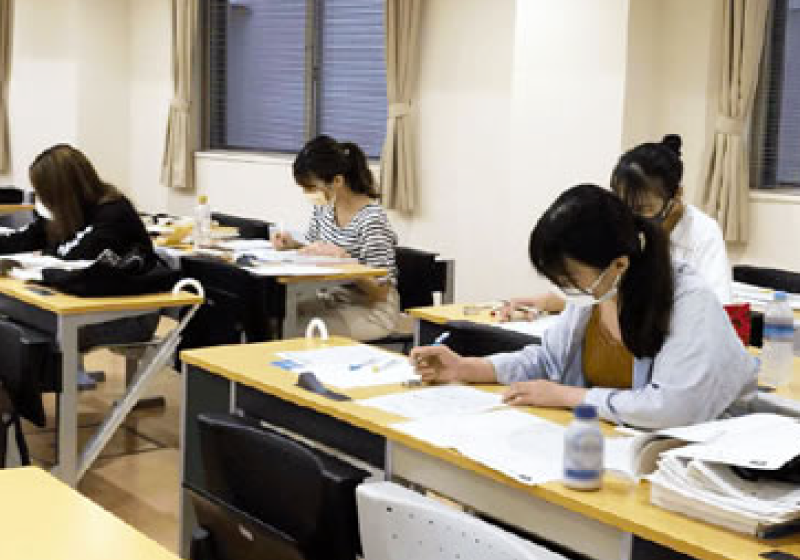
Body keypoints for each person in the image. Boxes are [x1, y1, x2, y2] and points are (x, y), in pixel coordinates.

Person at [411, 185, 757, 429]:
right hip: (607, 443)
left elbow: (672, 407)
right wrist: (467, 368)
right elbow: (549, 361)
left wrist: (567, 396)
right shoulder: (595, 297)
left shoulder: (688, 302)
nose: (565, 289)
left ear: (618, 265)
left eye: (570, 278)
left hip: (689, 460)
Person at [500, 134, 731, 320]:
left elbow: (717, 308)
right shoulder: (615, 225)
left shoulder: (702, 233)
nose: (632, 217)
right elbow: (601, 287)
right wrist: (543, 302)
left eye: (643, 208)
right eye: (623, 204)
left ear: (676, 195)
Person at [0, 144, 158, 381]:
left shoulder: (113, 215)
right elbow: (25, 239)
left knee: (7, 319)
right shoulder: (69, 212)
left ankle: (30, 392)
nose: (41, 200)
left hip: (123, 316)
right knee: (8, 319)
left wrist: (40, 262)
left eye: (43, 192)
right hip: (81, 305)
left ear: (61, 191)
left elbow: (71, 262)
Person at [272, 135, 400, 340]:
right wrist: (293, 246)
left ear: (338, 181)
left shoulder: (371, 220)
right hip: (332, 299)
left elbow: (381, 292)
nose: (307, 193)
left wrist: (347, 264)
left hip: (372, 310)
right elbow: (315, 249)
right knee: (273, 319)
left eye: (311, 187)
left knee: (293, 331)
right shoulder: (324, 209)